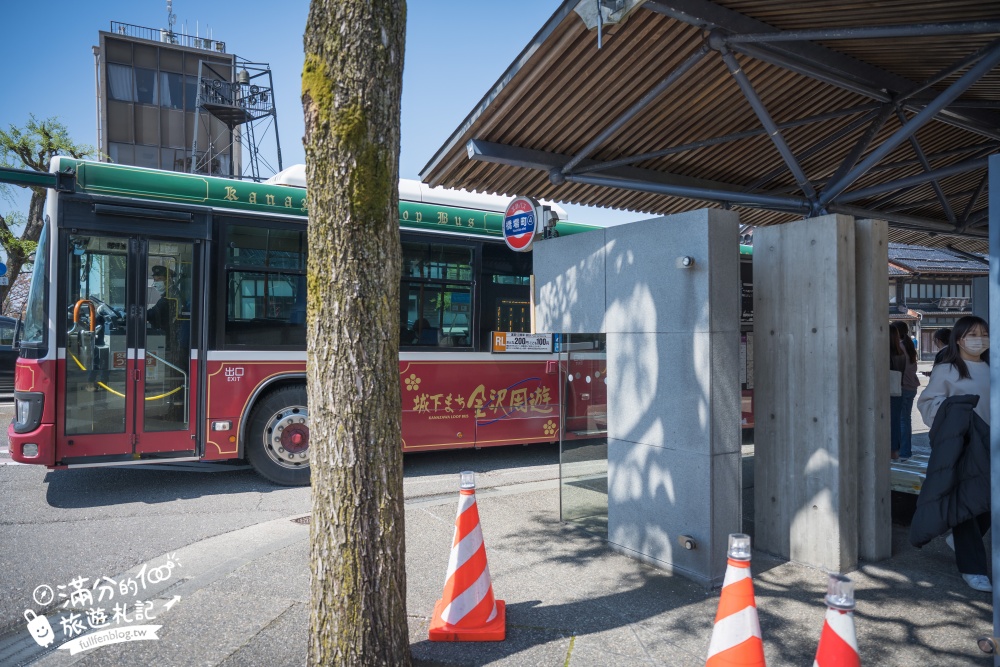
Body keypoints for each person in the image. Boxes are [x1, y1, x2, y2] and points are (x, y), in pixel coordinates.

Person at [913, 315, 991, 593]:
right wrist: (956, 412)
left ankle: (958, 543)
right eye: (972, 334)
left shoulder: (992, 367)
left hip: (991, 445)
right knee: (967, 502)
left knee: (987, 501)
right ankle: (973, 568)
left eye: (984, 333)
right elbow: (928, 403)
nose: (979, 339)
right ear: (959, 339)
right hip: (964, 445)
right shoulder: (947, 369)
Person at [892, 321, 919, 461]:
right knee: (906, 420)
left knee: (900, 421)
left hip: (902, 387)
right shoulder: (909, 346)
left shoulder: (899, 347)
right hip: (911, 387)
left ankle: (903, 452)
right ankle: (906, 451)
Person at [889, 324, 907, 460]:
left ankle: (890, 450)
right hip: (897, 390)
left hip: (886, 392)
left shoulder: (885, 354)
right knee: (895, 422)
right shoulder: (901, 353)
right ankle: (895, 451)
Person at [147, 265, 171, 332]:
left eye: (159, 279)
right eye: (155, 280)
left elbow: (155, 313)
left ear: (168, 279)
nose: (156, 282)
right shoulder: (166, 295)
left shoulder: (171, 296)